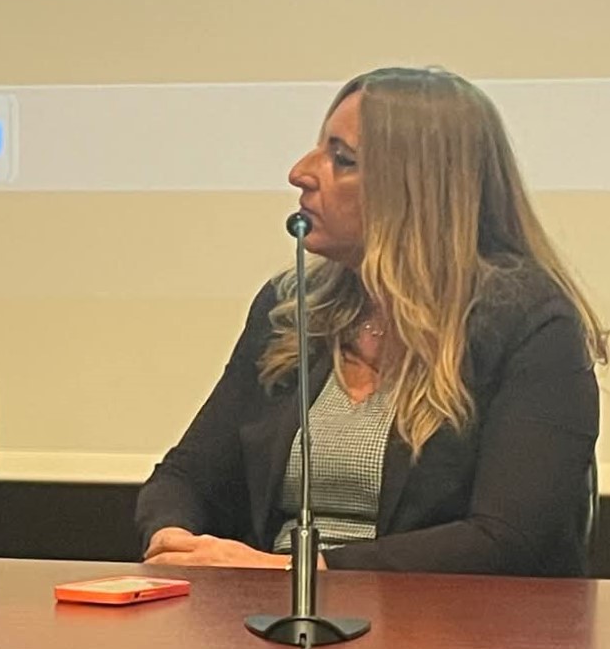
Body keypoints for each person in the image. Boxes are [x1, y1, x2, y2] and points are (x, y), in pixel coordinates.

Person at [136, 67, 605, 577]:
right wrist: (173, 540)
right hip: (272, 611)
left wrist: (297, 572)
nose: (300, 172)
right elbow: (186, 478)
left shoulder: (532, 323)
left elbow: (509, 539)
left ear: (417, 191)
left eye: (342, 160)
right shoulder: (291, 310)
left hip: (444, 621)